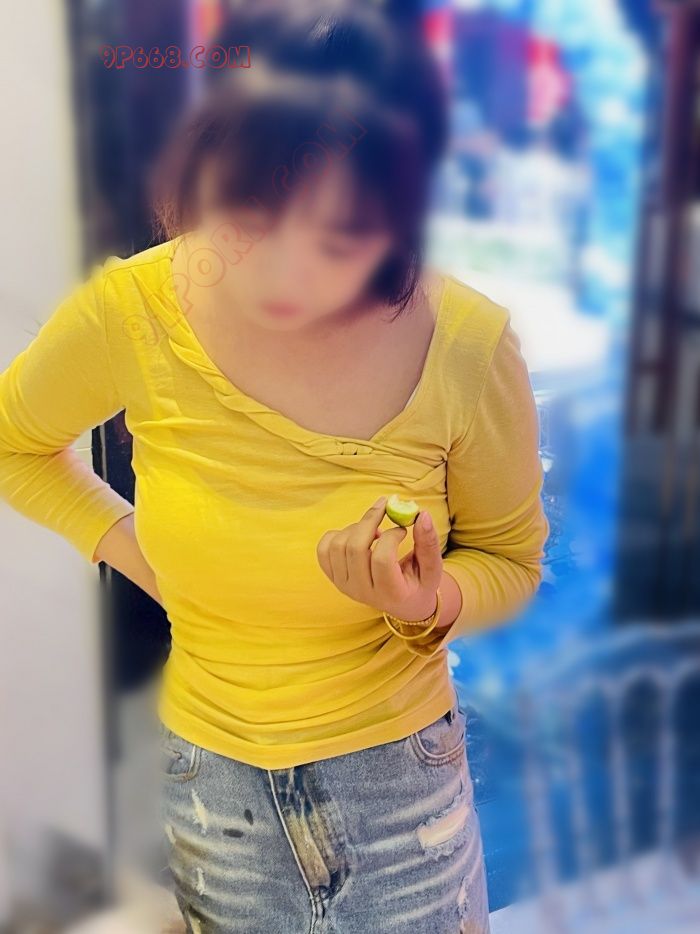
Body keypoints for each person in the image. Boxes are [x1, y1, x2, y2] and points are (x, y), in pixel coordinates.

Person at [0, 3, 548, 931]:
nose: (284, 274)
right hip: (213, 786)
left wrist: (429, 601)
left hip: (400, 790)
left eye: (340, 241)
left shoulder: (466, 344)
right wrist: (136, 552)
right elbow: (16, 443)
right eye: (249, 219)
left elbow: (511, 560)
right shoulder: (132, 310)